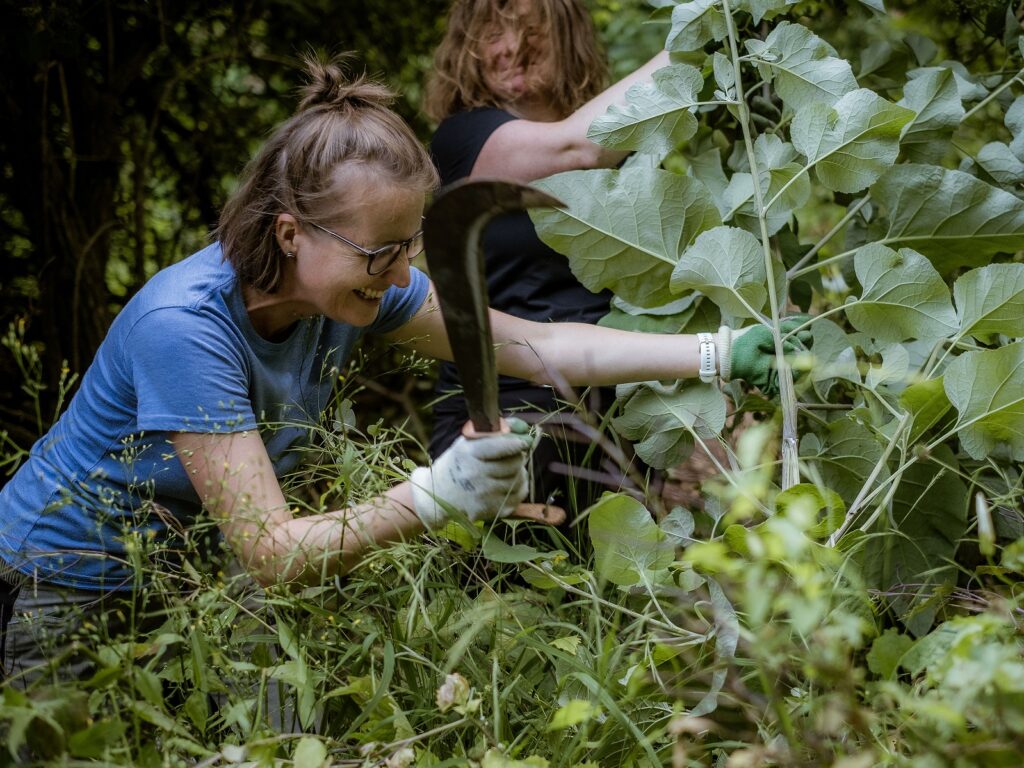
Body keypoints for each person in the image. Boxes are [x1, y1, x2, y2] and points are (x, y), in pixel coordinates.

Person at [0, 54, 803, 687]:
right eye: (380, 252)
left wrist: (715, 352)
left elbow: (540, 347)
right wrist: (432, 495)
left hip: (179, 570)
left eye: (408, 246)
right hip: (59, 574)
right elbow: (272, 552)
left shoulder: (352, 291)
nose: (399, 273)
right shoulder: (186, 331)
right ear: (289, 234)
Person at [423, 0, 672, 511]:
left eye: (531, 30)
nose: (512, 48)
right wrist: (695, 39)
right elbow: (573, 151)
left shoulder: (630, 152)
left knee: (617, 583)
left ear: (570, 38)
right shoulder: (464, 138)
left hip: (618, 408)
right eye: (493, 33)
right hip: (504, 414)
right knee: (508, 586)